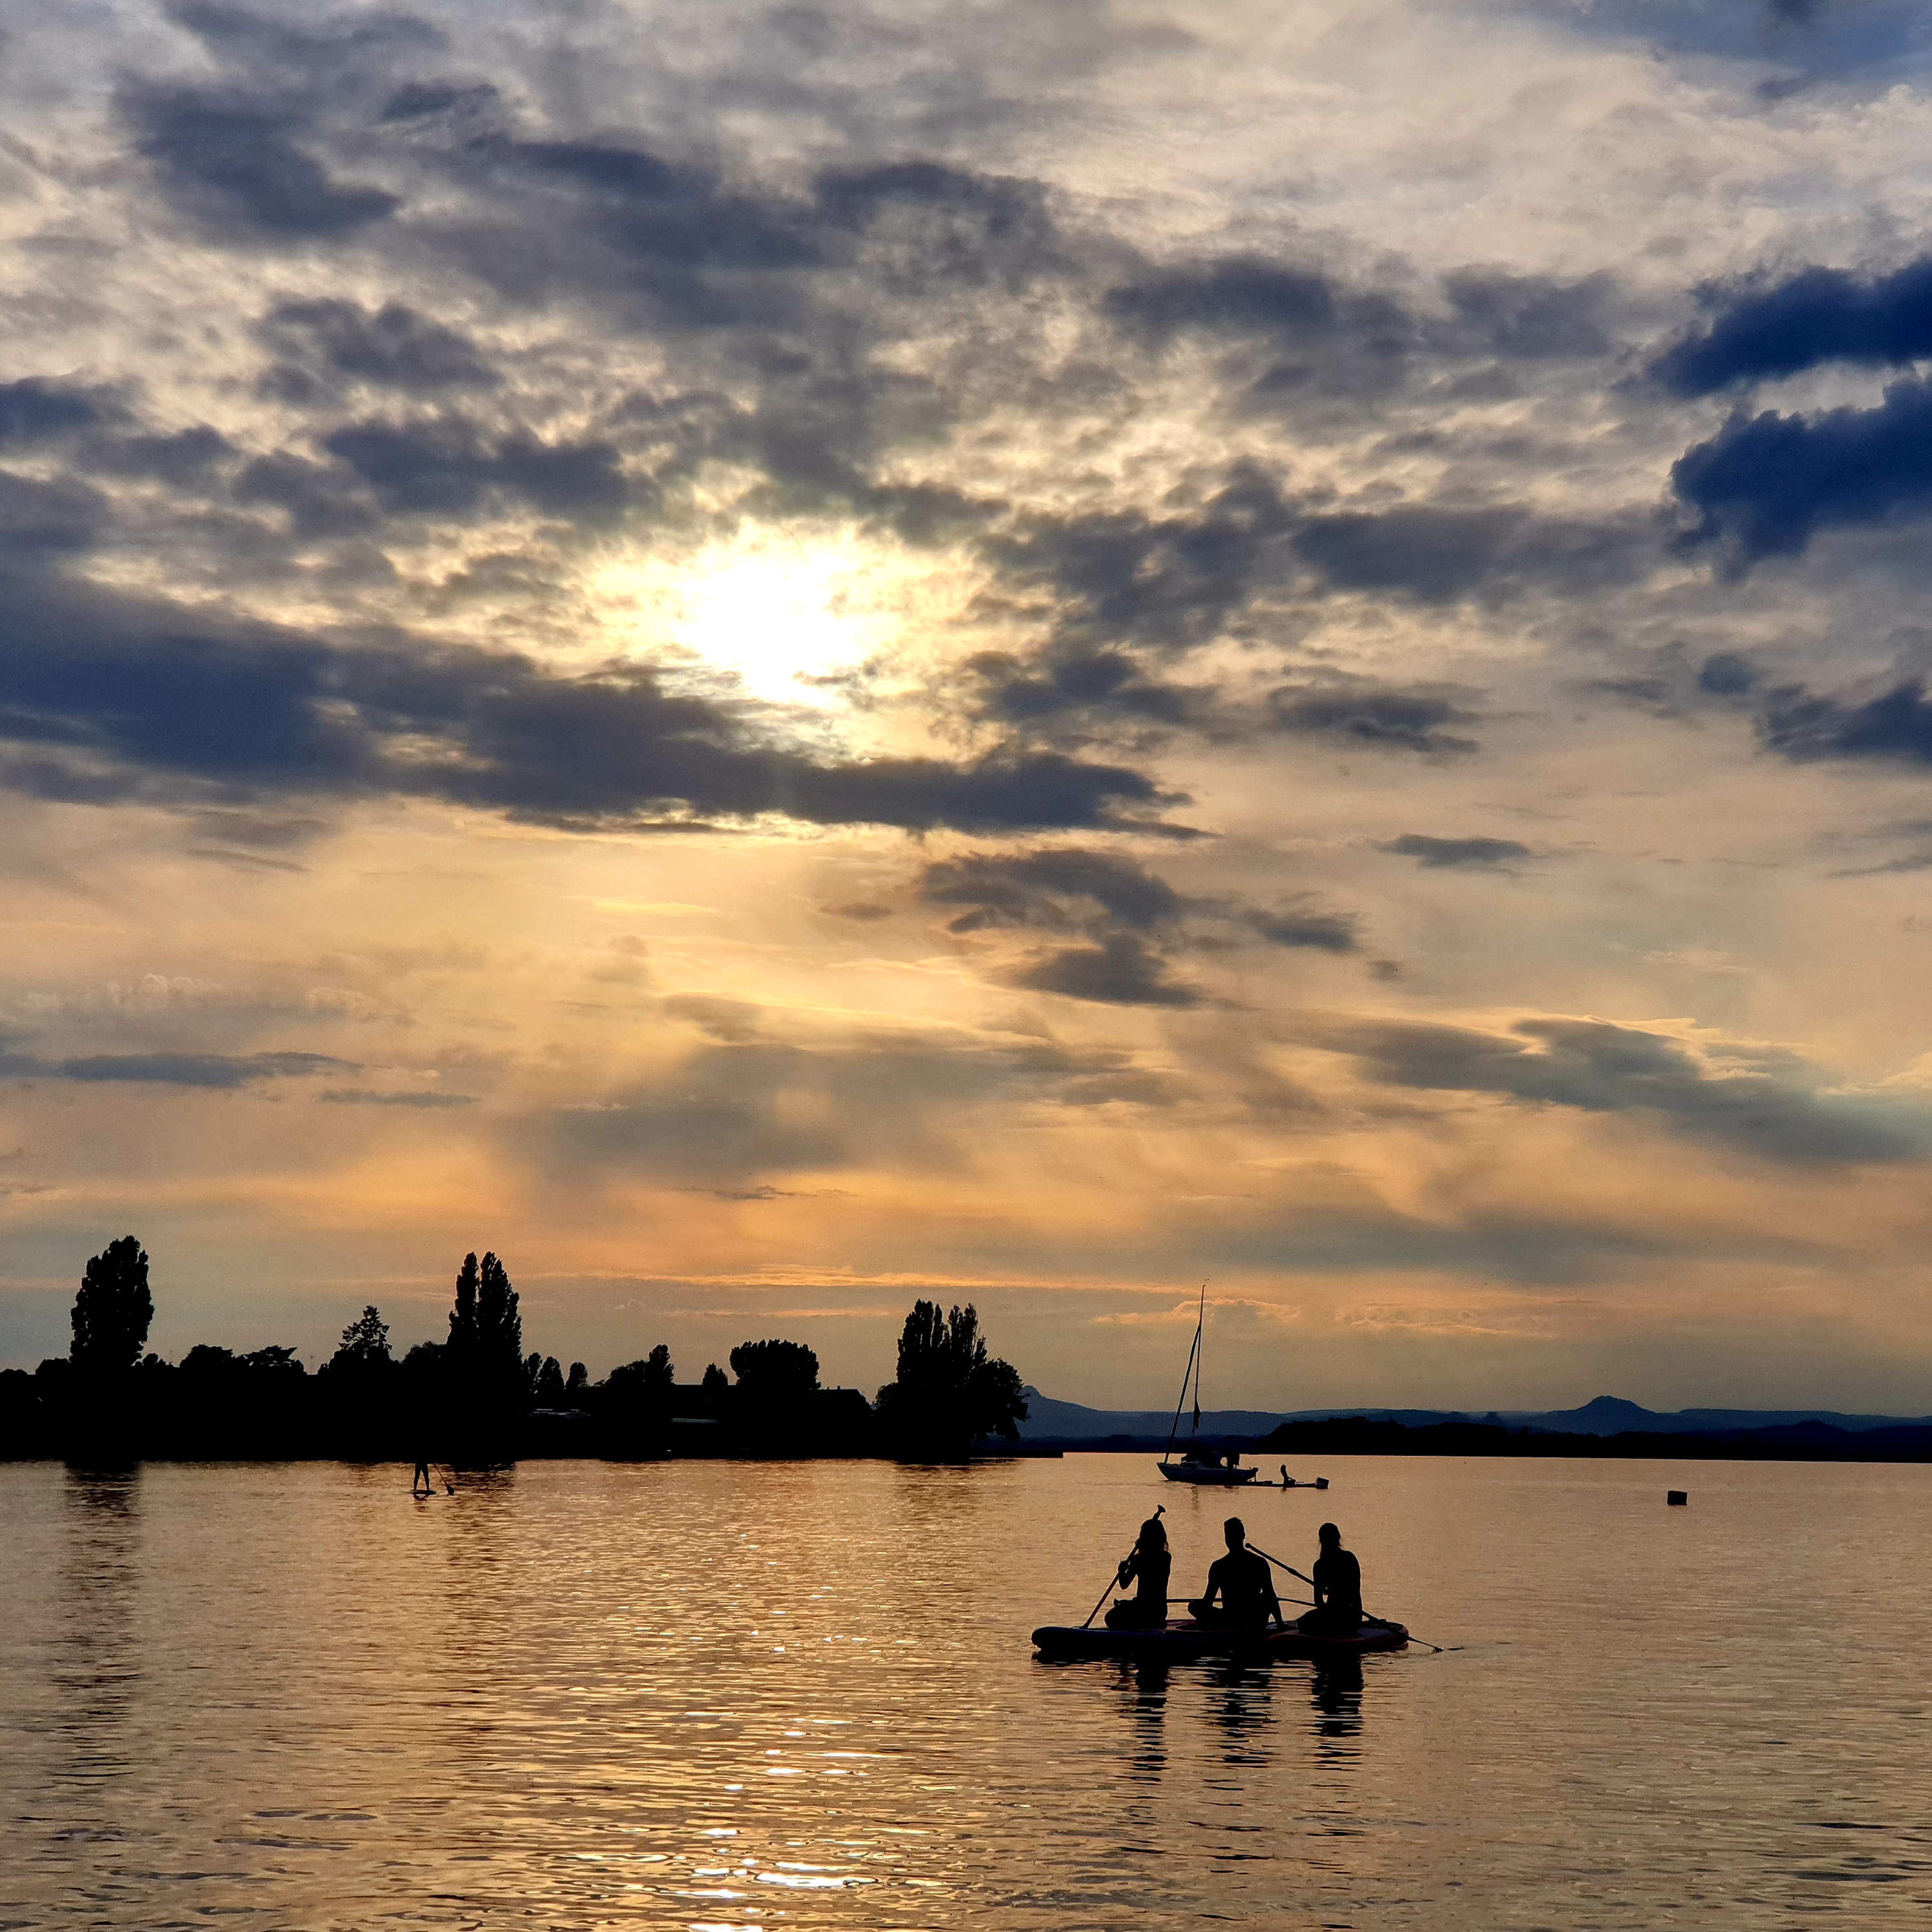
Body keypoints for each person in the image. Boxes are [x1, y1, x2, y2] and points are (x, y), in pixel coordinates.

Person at [1188, 1517, 1282, 1629]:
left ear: (1242, 1536)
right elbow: (1208, 1601)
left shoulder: (1258, 1563)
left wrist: (1280, 1625)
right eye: (1228, 1535)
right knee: (1194, 1605)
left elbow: (1270, 1595)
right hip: (1229, 1617)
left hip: (1251, 1617)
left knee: (1268, 1595)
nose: (1230, 1538)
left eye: (1232, 1534)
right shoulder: (1218, 1566)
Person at [1106, 1515, 1171, 1629]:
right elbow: (1124, 1584)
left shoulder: (1165, 1558)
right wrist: (1122, 1571)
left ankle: (1146, 1624)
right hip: (1140, 1606)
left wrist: (1143, 1555)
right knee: (1110, 1618)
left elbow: (1154, 1574)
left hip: (1156, 1609)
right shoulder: (1137, 1559)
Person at [1298, 1521, 1362, 1636]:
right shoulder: (1319, 1566)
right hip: (1330, 1613)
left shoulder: (1349, 1559)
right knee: (1303, 1622)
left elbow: (1354, 1592)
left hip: (1351, 1614)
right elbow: (1319, 1602)